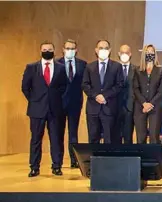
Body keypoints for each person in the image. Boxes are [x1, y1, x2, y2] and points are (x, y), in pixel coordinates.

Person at [22, 41, 68, 177]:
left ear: (54, 51)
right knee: (36, 139)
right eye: (44, 49)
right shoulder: (31, 67)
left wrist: (56, 100)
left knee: (56, 139)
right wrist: (35, 100)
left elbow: (64, 87)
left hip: (55, 110)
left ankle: (57, 166)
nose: (47, 51)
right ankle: (34, 167)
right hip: (37, 110)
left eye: (50, 49)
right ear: (40, 50)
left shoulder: (60, 68)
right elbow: (25, 87)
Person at [82, 40, 124, 144]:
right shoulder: (89, 67)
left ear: (109, 50)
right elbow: (85, 84)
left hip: (109, 108)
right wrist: (96, 96)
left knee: (109, 139)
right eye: (100, 48)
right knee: (93, 138)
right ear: (96, 50)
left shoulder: (116, 66)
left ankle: (108, 160)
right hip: (93, 109)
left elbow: (119, 85)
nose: (103, 50)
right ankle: (94, 160)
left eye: (106, 48)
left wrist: (105, 96)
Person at [56, 39, 87, 168]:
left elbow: (85, 83)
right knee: (58, 133)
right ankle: (58, 161)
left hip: (75, 103)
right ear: (63, 49)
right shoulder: (56, 63)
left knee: (73, 133)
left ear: (76, 50)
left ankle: (74, 160)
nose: (70, 50)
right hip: (59, 104)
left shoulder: (82, 64)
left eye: (72, 48)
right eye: (68, 48)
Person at [133, 45, 162, 144]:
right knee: (140, 136)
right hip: (140, 107)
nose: (149, 54)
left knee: (154, 136)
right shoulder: (137, 70)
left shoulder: (160, 70)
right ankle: (142, 158)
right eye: (147, 52)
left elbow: (161, 90)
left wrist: (150, 104)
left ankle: (153, 159)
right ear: (143, 54)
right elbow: (136, 88)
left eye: (152, 52)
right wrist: (144, 103)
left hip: (155, 107)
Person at [114, 45, 137, 144]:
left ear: (130, 54)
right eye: (122, 53)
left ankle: (128, 158)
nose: (124, 55)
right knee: (116, 137)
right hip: (115, 107)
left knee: (128, 137)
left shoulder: (136, 70)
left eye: (127, 53)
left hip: (130, 108)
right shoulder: (113, 68)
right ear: (119, 54)